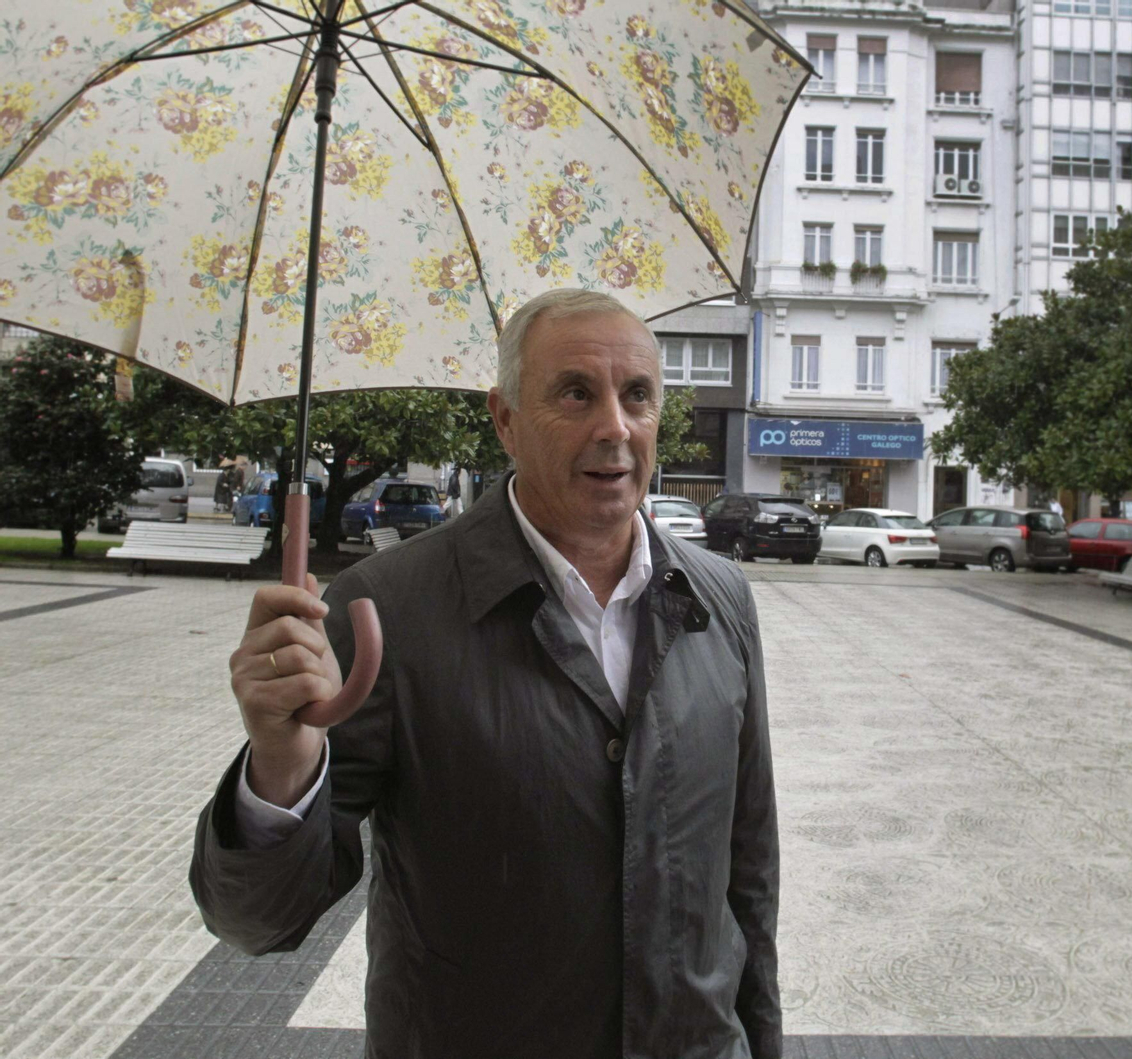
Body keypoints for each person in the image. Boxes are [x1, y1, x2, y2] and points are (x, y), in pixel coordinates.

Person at [190, 290, 781, 1058]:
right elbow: (262, 918)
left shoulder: (720, 598)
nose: (616, 426)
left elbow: (750, 878)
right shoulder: (383, 609)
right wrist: (280, 766)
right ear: (504, 419)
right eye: (576, 392)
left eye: (638, 395)